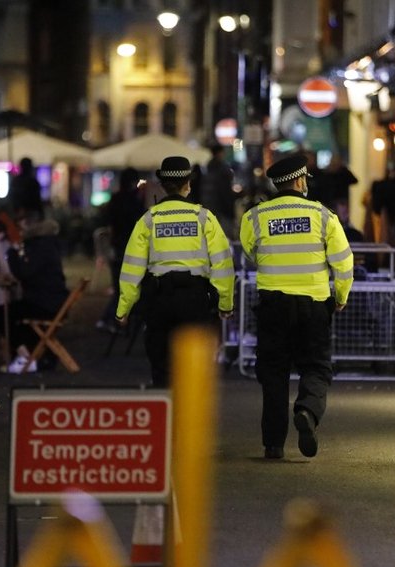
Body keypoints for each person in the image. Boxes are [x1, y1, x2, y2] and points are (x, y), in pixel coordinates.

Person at [239, 154, 354, 460]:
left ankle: (273, 444)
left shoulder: (255, 216)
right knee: (316, 367)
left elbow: (251, 253)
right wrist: (341, 296)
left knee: (273, 374)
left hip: (272, 304)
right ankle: (307, 411)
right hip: (314, 305)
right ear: (301, 181)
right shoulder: (323, 215)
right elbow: (343, 262)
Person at [115, 156, 235, 387]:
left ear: (162, 185)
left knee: (161, 368)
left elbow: (132, 269)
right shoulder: (204, 218)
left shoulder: (148, 220)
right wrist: (225, 305)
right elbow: (222, 265)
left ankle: (166, 416)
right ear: (188, 184)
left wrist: (123, 309)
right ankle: (189, 417)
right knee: (193, 369)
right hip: (196, 301)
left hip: (159, 301)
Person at [6, 215, 69, 372]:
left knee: (2, 314)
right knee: (17, 315)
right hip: (52, 302)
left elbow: (24, 272)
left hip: (44, 303)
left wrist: (12, 254)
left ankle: (24, 355)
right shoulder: (49, 245)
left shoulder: (40, 247)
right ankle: (36, 356)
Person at [98, 167, 146, 328]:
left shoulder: (115, 199)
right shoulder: (135, 200)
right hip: (132, 246)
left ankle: (114, 318)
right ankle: (111, 318)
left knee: (120, 283)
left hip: (118, 245)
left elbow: (109, 222)